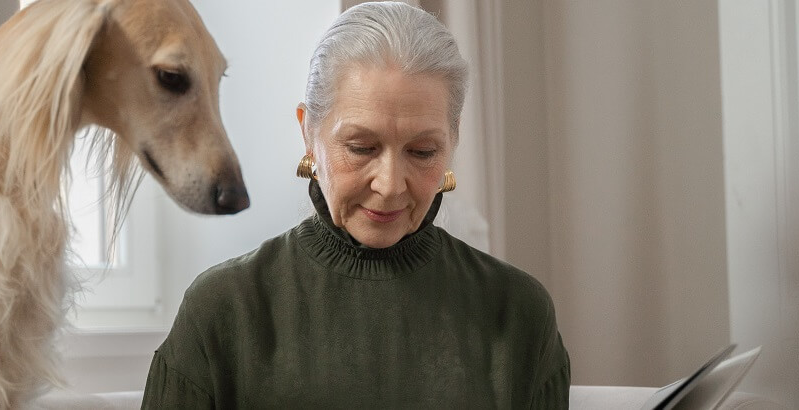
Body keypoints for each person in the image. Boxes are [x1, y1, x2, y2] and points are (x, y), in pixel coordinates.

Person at [141, 2, 569, 408]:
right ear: (308, 132)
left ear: (453, 139)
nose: (389, 185)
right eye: (361, 147)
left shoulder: (519, 313)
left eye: (422, 152)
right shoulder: (223, 309)